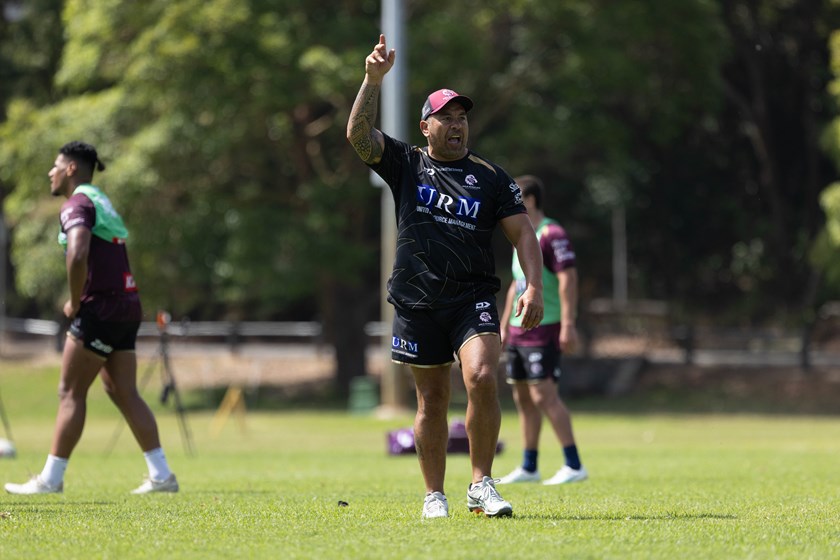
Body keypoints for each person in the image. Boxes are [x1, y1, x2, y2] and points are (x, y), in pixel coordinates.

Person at [347, 35, 544, 519]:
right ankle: (435, 494)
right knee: (432, 399)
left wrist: (534, 284)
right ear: (426, 126)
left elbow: (524, 235)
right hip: (417, 300)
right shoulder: (406, 163)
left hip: (471, 297)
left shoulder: (492, 178)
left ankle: (481, 483)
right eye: (446, 117)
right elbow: (357, 134)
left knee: (480, 375)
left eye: (462, 118)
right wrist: (372, 81)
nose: (456, 125)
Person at [5, 141, 178, 495]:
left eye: (55, 166)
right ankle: (162, 475)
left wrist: (73, 300)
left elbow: (78, 250)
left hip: (101, 306)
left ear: (71, 169)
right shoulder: (101, 200)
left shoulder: (78, 202)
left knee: (69, 391)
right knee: (122, 390)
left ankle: (51, 479)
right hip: (127, 304)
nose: (50, 173)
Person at [498, 175, 588, 486]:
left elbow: (568, 279)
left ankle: (574, 464)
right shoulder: (520, 234)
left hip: (544, 326)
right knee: (522, 397)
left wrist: (568, 323)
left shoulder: (552, 233)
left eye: (516, 196)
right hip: (518, 330)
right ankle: (529, 466)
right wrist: (504, 323)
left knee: (544, 395)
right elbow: (516, 283)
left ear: (531, 200)